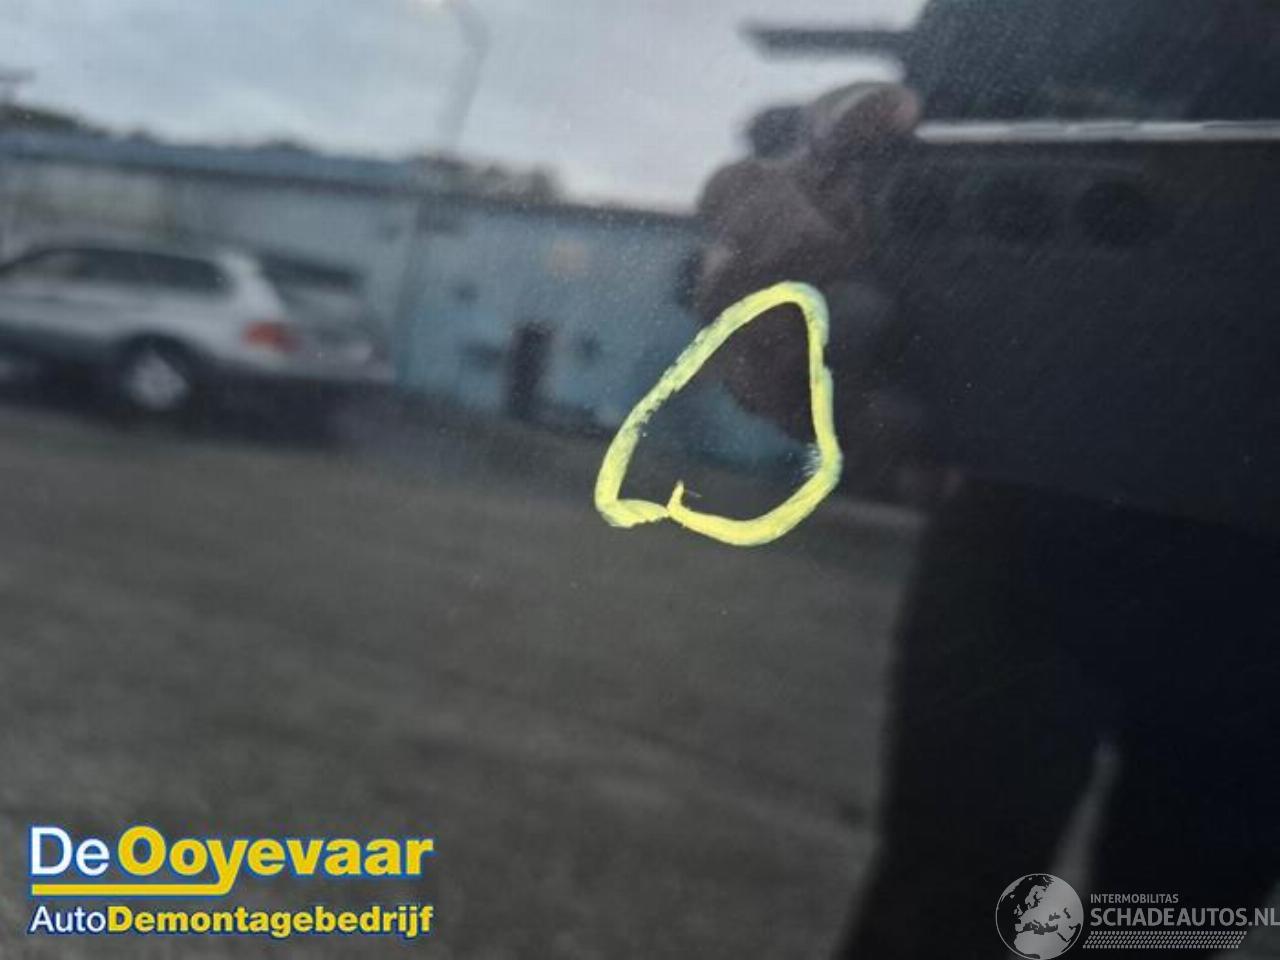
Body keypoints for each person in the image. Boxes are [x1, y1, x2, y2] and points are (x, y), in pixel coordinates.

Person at [695, 69, 1280, 960]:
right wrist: (818, 199)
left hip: (1058, 529)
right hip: (1023, 521)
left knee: (1164, 919)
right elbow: (899, 142)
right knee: (976, 909)